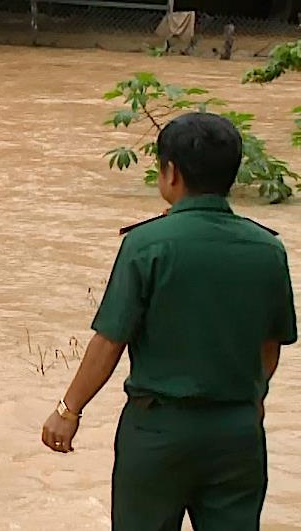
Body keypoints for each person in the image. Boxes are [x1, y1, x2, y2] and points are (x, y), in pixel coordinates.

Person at [41, 112, 297, 530]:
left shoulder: (146, 244)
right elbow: (270, 346)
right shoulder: (268, 249)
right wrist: (248, 405)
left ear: (171, 173)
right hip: (237, 432)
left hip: (158, 432)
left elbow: (109, 340)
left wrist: (69, 410)